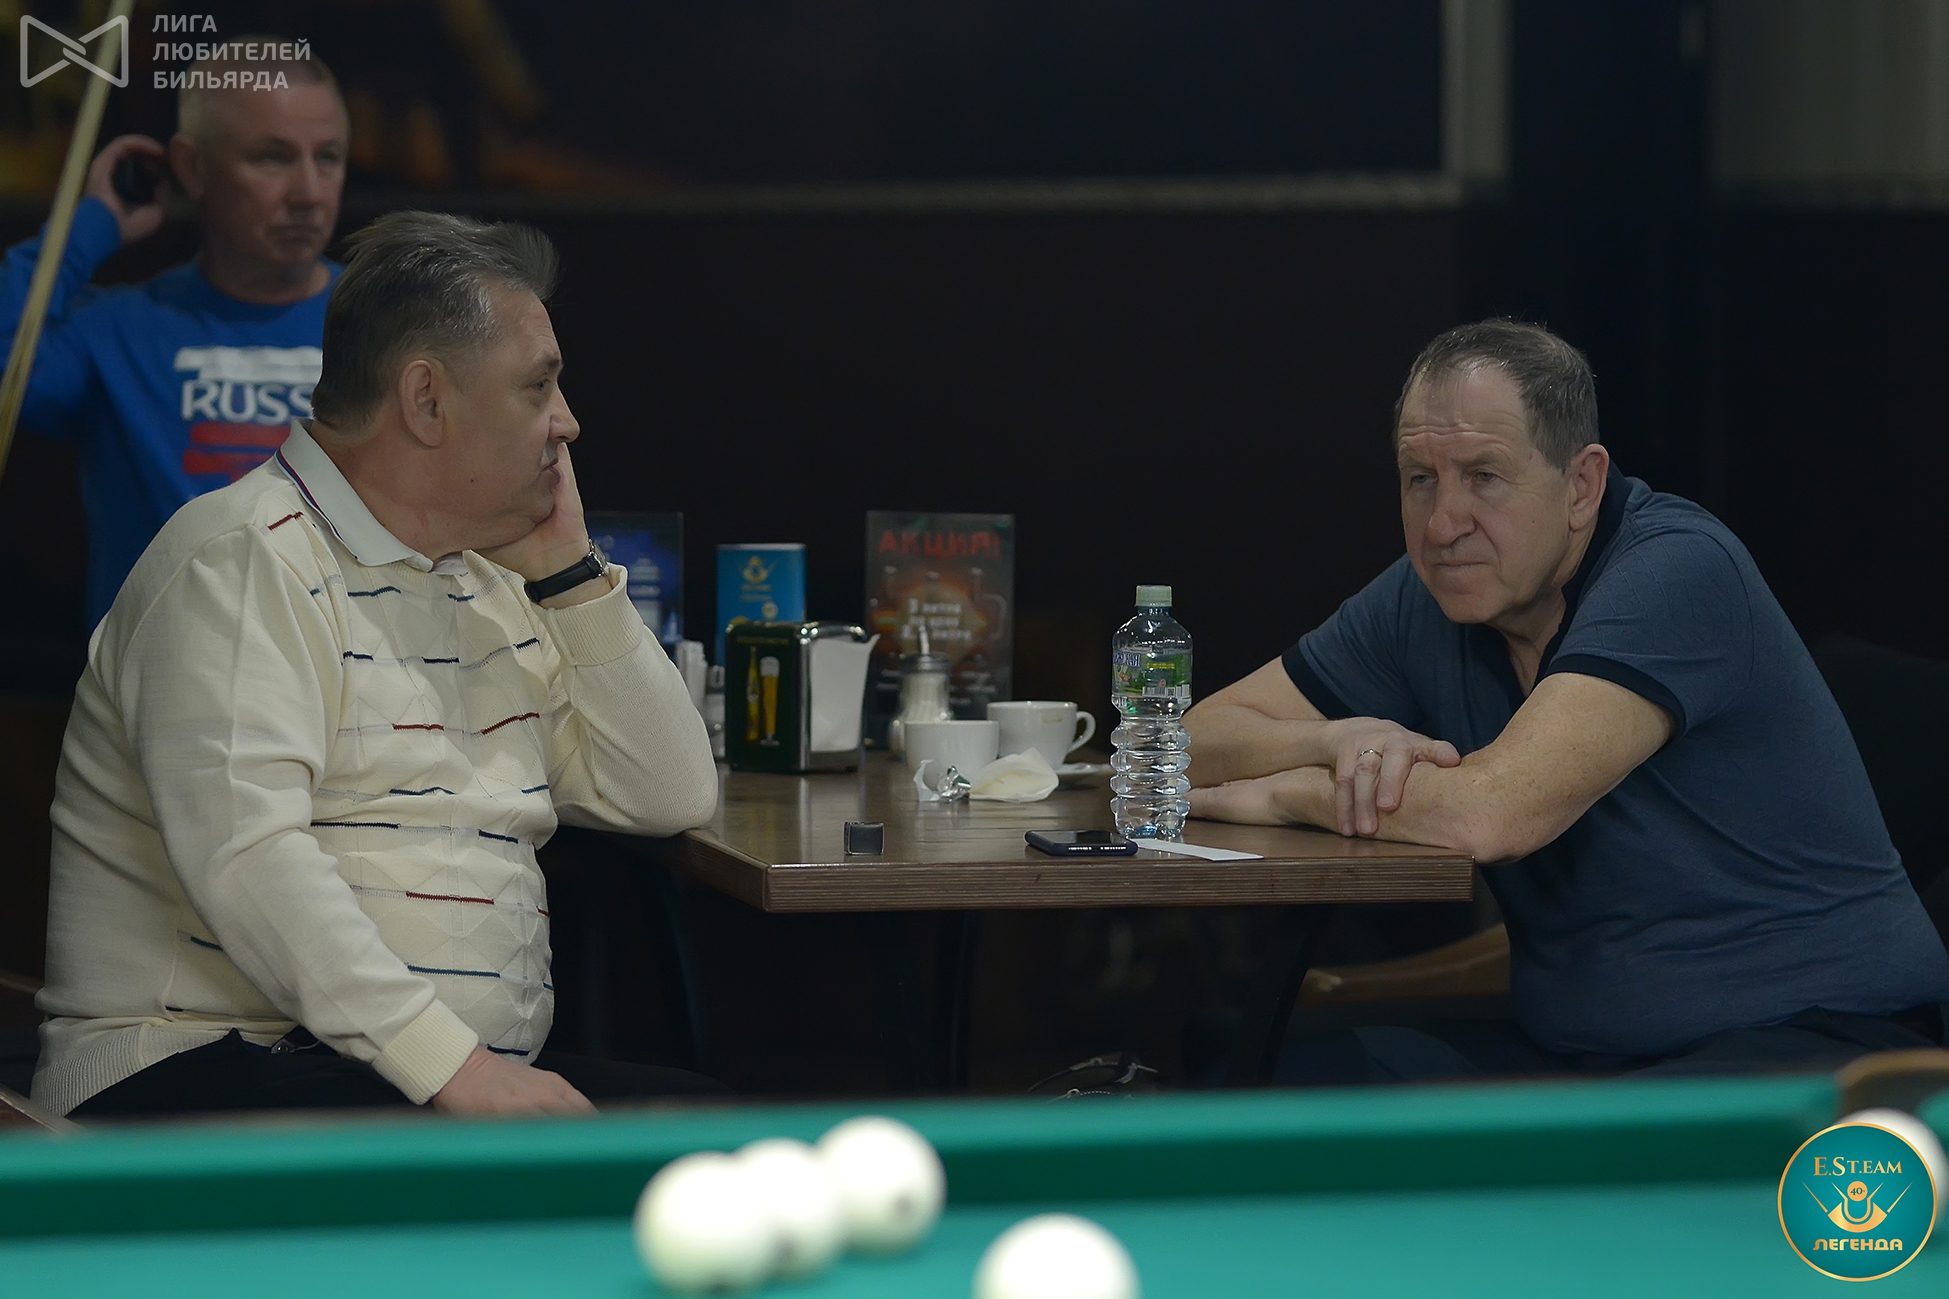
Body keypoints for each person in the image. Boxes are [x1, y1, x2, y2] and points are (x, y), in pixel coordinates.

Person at [32, 211, 721, 1118]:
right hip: (195, 1068)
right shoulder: (241, 557)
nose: (567, 421)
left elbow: (670, 793)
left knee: (709, 1136)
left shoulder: (495, 580)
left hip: (398, 1081)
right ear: (426, 400)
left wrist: (571, 573)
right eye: (538, 385)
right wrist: (464, 1072)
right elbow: (250, 858)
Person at [1186, 319, 1949, 1083]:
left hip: (1813, 1039)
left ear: (1581, 485)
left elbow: (1492, 813)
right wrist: (1333, 739)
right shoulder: (1426, 598)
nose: (1442, 525)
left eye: (1483, 476)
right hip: (1585, 1055)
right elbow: (1182, 745)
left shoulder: (1676, 569)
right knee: (1266, 1080)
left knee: (1606, 1149)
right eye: (1419, 478)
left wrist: (1287, 793)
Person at [0, 41, 347, 627]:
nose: (310, 193)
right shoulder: (118, 329)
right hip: (161, 680)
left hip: (340, 675)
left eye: (329, 157)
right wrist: (94, 223)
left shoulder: (390, 327)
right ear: (191, 168)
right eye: (272, 158)